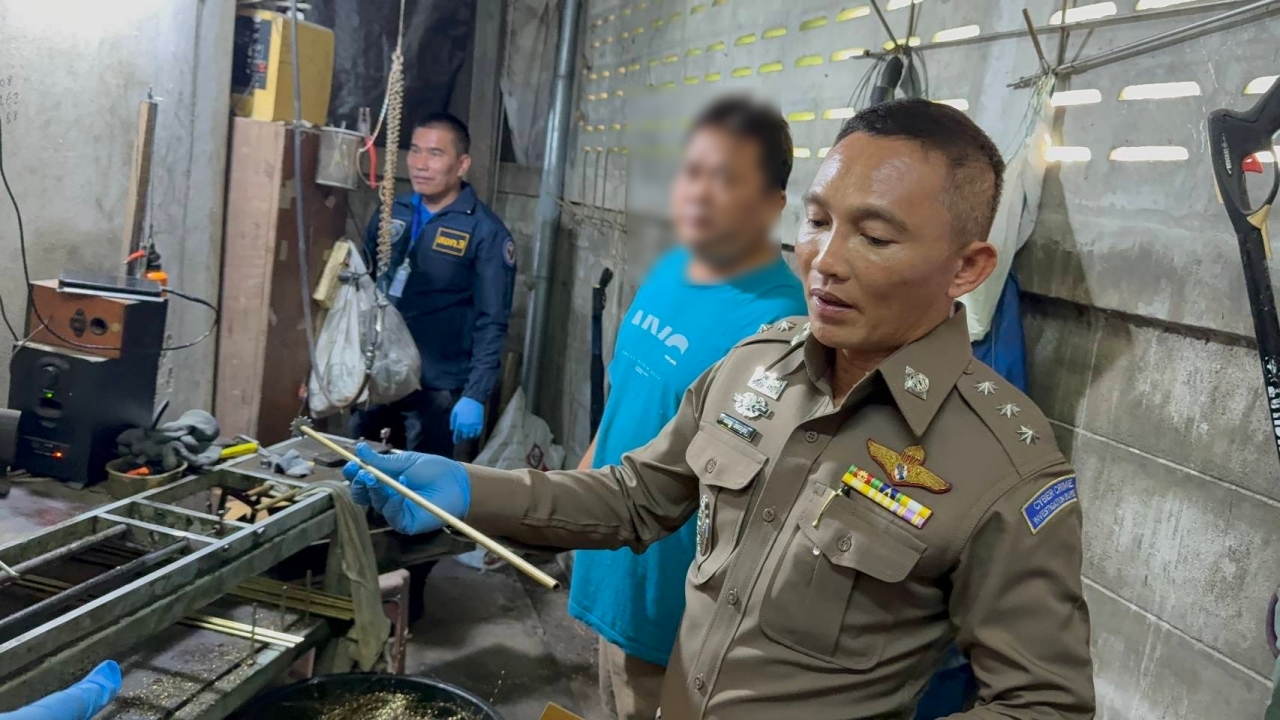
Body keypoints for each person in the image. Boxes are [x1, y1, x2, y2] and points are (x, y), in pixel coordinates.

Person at [345, 98, 1096, 719]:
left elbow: (1042, 704)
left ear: (967, 268)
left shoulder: (1003, 467)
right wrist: (468, 489)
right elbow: (633, 496)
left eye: (872, 235)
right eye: (818, 221)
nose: (825, 260)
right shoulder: (756, 365)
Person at [570, 96, 807, 720]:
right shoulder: (674, 267)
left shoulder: (777, 324)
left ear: (772, 204)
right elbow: (626, 401)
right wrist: (568, 502)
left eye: (725, 178)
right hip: (609, 572)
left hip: (669, 608)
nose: (698, 192)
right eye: (692, 171)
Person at [351, 111, 517, 458]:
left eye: (435, 153)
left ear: (462, 164)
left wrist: (475, 394)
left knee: (421, 485)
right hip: (380, 375)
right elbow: (360, 290)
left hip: (437, 387)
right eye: (415, 150)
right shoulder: (392, 212)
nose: (420, 164)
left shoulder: (484, 231)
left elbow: (492, 321)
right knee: (360, 473)